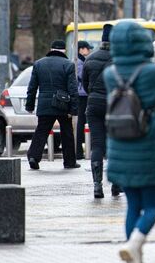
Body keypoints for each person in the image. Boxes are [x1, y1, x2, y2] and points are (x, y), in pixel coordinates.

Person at [104, 21, 155, 263]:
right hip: (149, 148)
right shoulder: (152, 72)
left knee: (133, 206)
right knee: (152, 207)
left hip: (120, 148)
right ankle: (134, 246)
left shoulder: (110, 73)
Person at [25, 40, 79, 170]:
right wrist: (73, 109)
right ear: (64, 50)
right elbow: (73, 89)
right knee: (67, 133)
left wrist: (30, 105)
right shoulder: (68, 65)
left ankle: (33, 157)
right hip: (62, 104)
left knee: (41, 131)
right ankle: (69, 162)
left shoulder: (38, 64)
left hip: (44, 104)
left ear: (51, 49)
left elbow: (32, 87)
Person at [82, 25, 115, 198]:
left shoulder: (90, 58)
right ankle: (116, 185)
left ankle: (97, 185)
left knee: (97, 144)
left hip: (94, 104)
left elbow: (85, 84)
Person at [76, 40, 93, 160]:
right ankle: (78, 151)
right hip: (82, 95)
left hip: (82, 94)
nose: (89, 50)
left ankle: (80, 151)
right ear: (81, 49)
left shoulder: (81, 61)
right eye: (88, 48)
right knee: (81, 123)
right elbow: (82, 77)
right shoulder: (79, 62)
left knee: (82, 123)